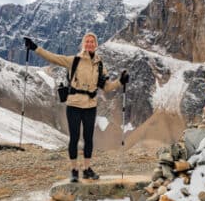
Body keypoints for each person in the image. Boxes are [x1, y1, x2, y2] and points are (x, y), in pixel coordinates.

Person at [24, 32, 129, 182]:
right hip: (73, 104)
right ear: (83, 44)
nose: (90, 44)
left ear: (96, 45)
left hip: (90, 106)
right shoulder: (74, 60)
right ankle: (74, 170)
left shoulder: (100, 65)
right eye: (87, 41)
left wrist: (120, 81)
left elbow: (105, 87)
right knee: (74, 138)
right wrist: (35, 48)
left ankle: (86, 169)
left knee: (88, 139)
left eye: (92, 41)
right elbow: (52, 57)